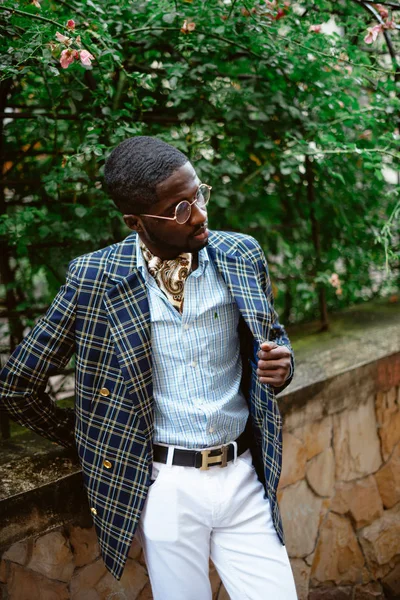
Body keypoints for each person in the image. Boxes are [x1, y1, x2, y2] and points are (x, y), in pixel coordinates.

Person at [0, 136, 297, 599]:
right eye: (179, 209)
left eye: (198, 194)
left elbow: (271, 337)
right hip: (167, 489)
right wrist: (94, 437)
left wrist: (282, 364)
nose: (198, 214)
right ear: (135, 221)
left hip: (243, 474)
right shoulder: (94, 280)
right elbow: (17, 386)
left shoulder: (241, 255)